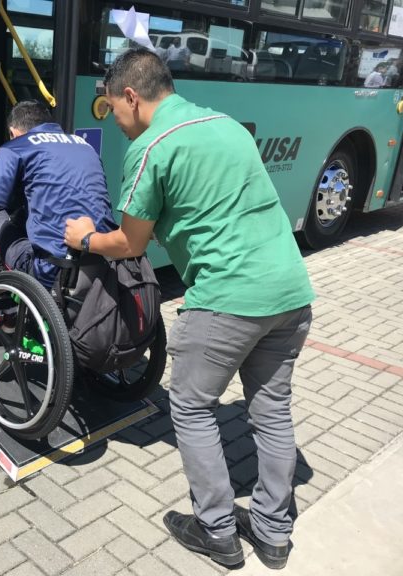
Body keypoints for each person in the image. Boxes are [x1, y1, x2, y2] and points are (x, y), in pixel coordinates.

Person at [64, 48, 314, 570]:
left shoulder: (151, 146)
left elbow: (130, 244)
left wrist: (86, 239)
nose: (117, 125)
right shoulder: (226, 125)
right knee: (270, 409)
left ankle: (216, 530)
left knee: (192, 406)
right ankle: (272, 532)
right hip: (290, 291)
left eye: (113, 110)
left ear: (131, 96)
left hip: (226, 298)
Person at [0, 100, 116, 330]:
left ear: (13, 132)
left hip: (51, 274)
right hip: (99, 263)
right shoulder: (85, 145)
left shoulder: (16, 147)